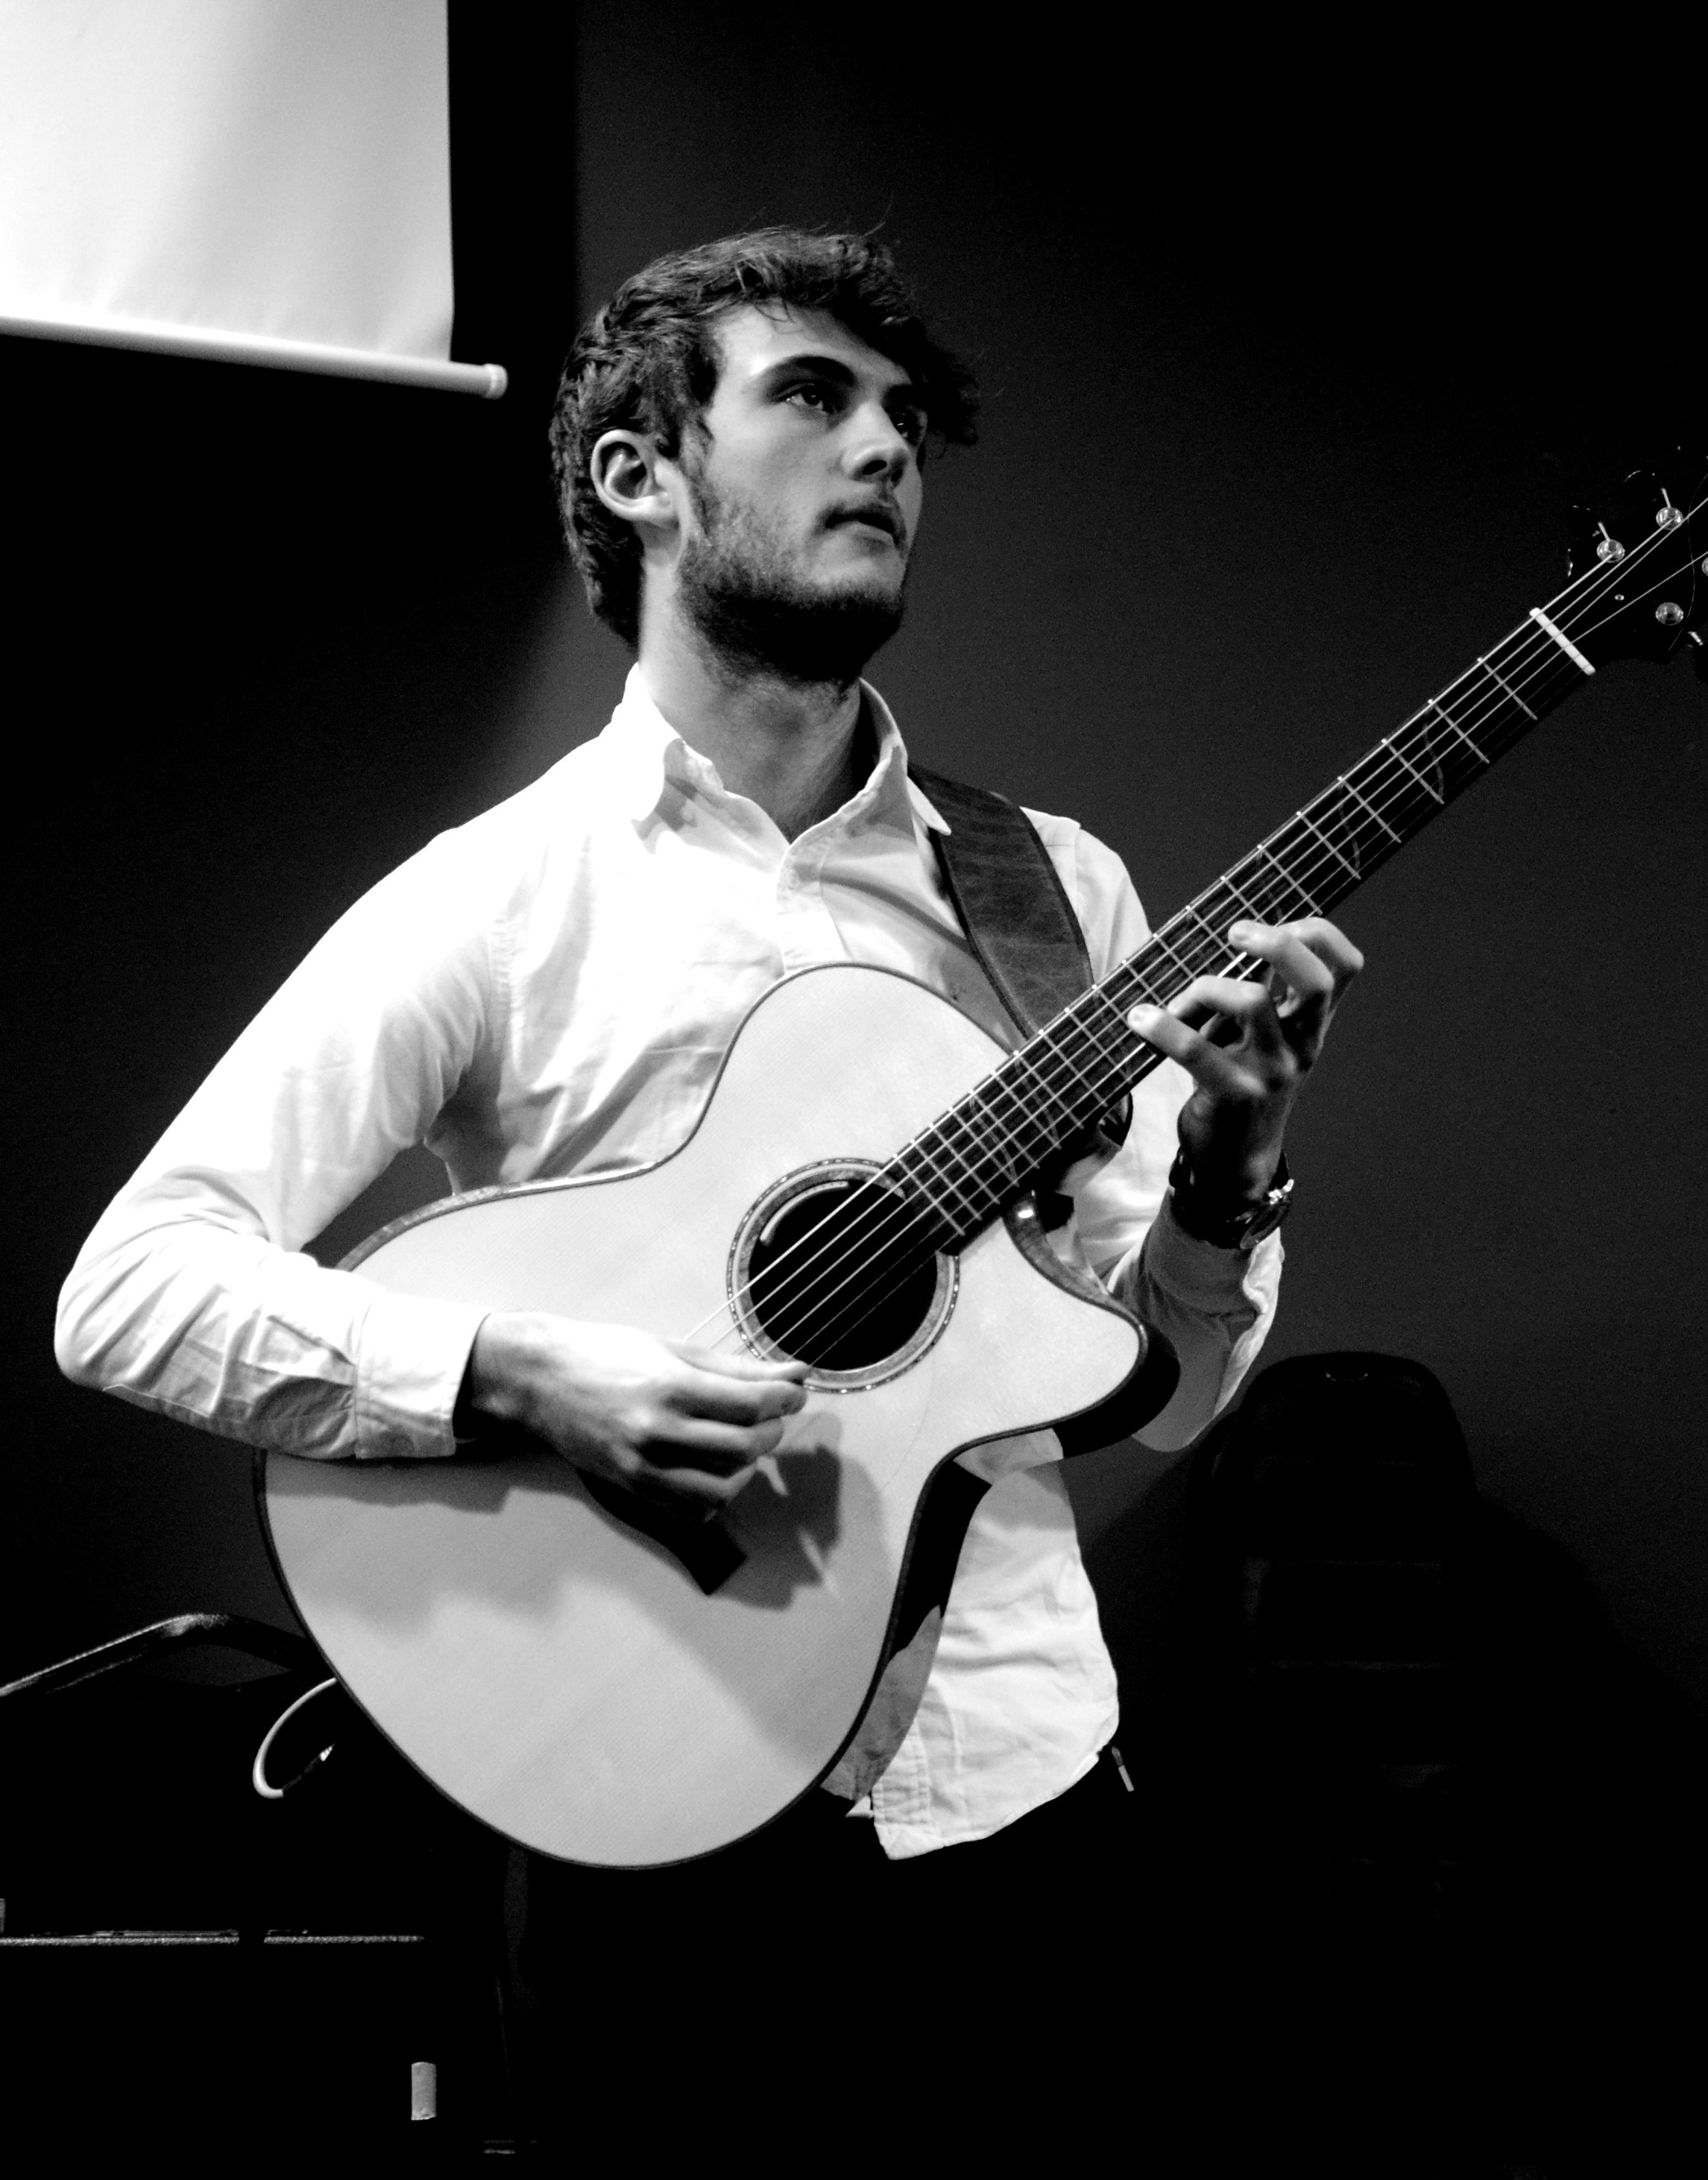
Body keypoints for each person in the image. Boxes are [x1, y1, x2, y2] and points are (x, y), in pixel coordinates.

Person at [54, 228, 1361, 2139]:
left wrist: (1231, 1178)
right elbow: (133, 1282)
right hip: (645, 1826)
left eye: (906, 418)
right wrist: (525, 1374)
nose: (888, 449)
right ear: (639, 473)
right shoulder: (501, 899)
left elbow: (1153, 1399)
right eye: (814, 397)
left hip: (1023, 1796)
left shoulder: (1052, 892)